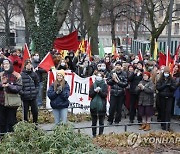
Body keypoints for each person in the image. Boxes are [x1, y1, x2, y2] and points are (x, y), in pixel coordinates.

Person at [0, 59, 22, 135]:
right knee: (1, 122)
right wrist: (1, 85)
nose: (5, 65)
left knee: (11, 122)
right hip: (1, 102)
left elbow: (19, 88)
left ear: (10, 64)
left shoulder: (17, 75)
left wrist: (9, 85)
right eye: (4, 64)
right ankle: (2, 139)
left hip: (12, 103)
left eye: (7, 63)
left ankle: (12, 140)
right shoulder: (1, 74)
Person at [156, 66, 176, 131]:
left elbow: (174, 88)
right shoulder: (160, 79)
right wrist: (164, 85)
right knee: (162, 111)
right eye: (165, 72)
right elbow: (158, 88)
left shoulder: (172, 79)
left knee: (168, 111)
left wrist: (170, 86)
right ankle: (163, 124)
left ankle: (167, 125)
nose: (166, 73)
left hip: (169, 97)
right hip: (162, 96)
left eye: (167, 72)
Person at [20, 59, 39, 124]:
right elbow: (19, 86)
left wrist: (36, 91)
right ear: (25, 66)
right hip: (25, 97)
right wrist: (22, 93)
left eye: (30, 64)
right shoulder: (21, 75)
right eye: (27, 64)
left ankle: (35, 124)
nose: (29, 65)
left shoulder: (34, 74)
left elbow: (37, 84)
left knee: (35, 112)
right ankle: (26, 125)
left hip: (33, 96)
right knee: (25, 113)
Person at [89, 72, 108, 137]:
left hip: (102, 106)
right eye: (97, 76)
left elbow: (105, 95)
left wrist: (99, 92)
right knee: (94, 122)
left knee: (101, 122)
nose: (98, 77)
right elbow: (90, 95)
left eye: (100, 76)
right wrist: (94, 91)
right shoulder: (93, 85)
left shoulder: (105, 85)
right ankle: (94, 134)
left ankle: (100, 135)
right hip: (93, 106)